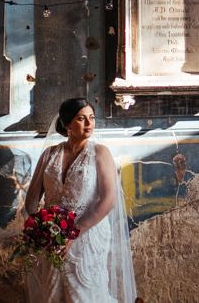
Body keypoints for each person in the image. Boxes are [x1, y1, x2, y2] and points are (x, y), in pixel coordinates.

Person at [24, 98, 136, 302]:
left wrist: (72, 233)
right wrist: (44, 229)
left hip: (87, 236)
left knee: (85, 295)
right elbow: (31, 201)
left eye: (91, 118)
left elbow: (108, 199)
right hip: (53, 240)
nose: (89, 124)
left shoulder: (99, 153)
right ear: (67, 124)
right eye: (81, 118)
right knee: (52, 295)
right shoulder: (50, 154)